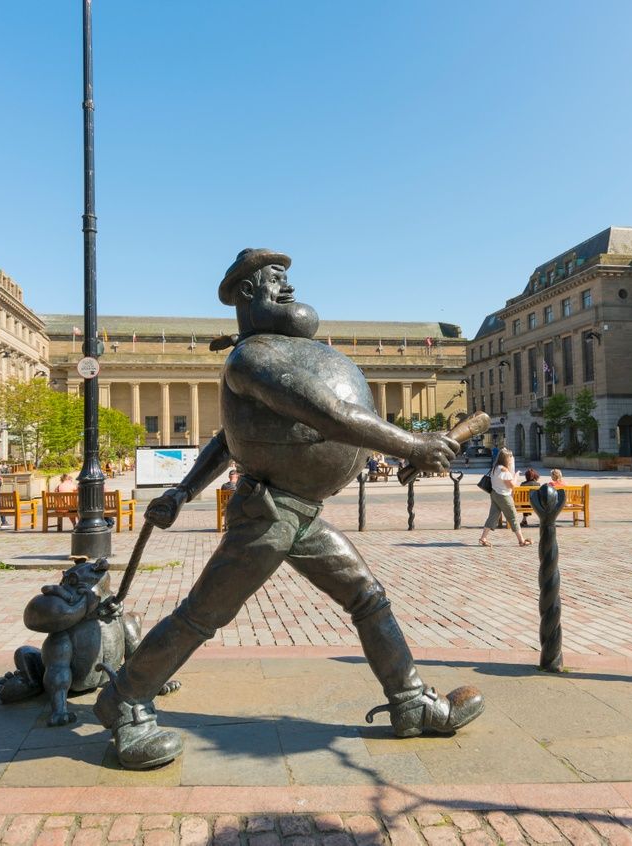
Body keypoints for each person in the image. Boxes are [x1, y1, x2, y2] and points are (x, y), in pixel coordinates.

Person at [93, 248, 481, 771]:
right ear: (249, 291)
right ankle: (124, 701)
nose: (290, 287)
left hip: (298, 512)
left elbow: (226, 440)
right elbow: (330, 413)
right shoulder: (254, 357)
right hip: (270, 513)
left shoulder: (272, 352)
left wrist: (182, 492)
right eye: (277, 278)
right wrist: (413, 446)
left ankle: (410, 704)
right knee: (203, 614)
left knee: (367, 596)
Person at [479, 448, 531, 548]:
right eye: (510, 457)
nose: (512, 458)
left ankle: (483, 538)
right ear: (506, 458)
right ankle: (521, 540)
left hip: (494, 494)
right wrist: (516, 476)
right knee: (513, 517)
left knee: (493, 516)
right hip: (503, 496)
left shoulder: (495, 467)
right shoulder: (504, 470)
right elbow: (512, 486)